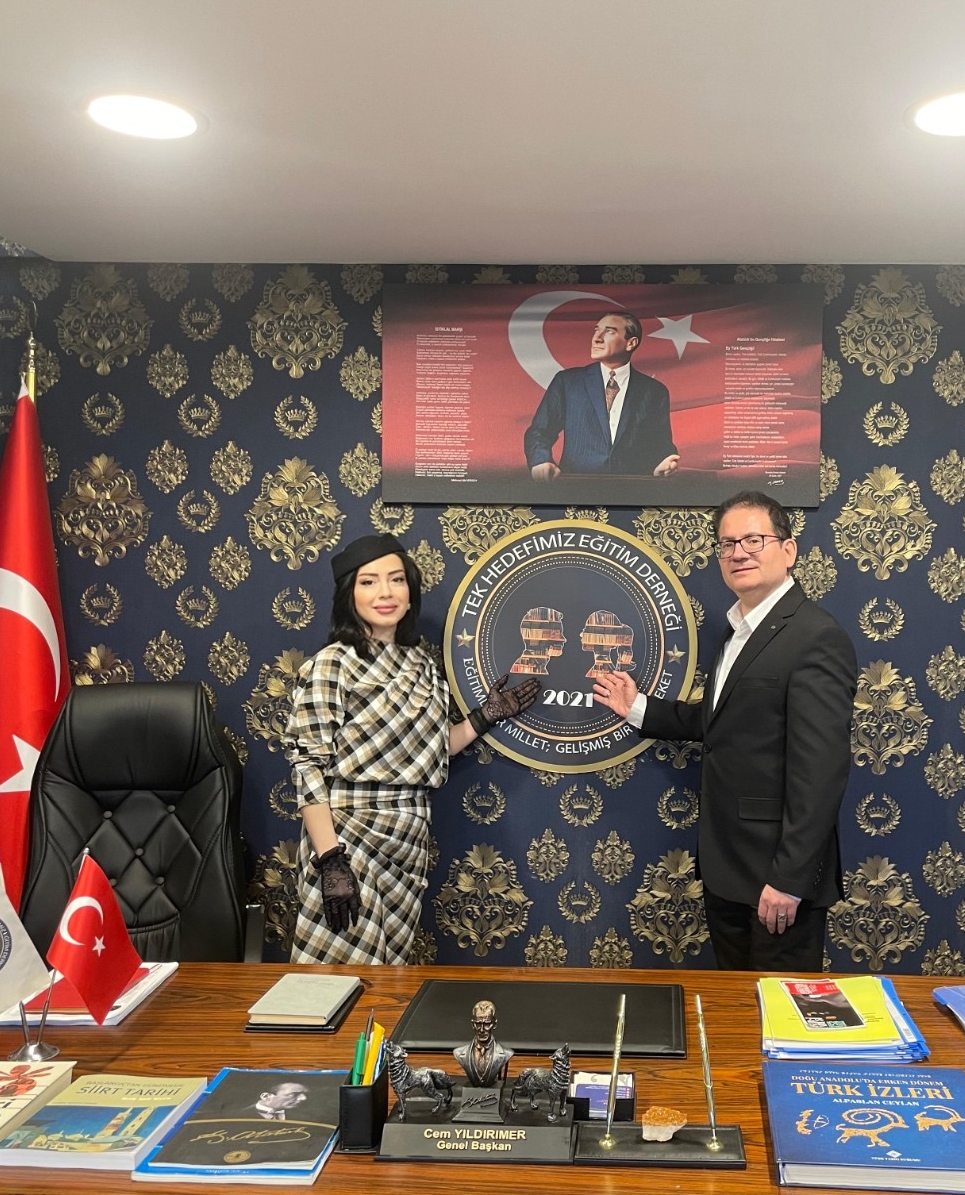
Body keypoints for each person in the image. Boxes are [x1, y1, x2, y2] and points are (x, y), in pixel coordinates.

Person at [592, 492, 856, 971]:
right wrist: (639, 708)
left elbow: (821, 772)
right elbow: (724, 723)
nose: (739, 553)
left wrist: (790, 879)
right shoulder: (737, 630)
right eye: (728, 544)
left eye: (753, 540)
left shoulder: (815, 636)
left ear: (789, 550)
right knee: (736, 1003)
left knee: (776, 1010)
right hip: (727, 870)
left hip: (777, 881)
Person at [283, 533, 539, 964]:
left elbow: (433, 750)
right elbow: (307, 765)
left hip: (409, 837)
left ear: (410, 589)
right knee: (337, 976)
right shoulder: (332, 663)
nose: (385, 592)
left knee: (389, 969)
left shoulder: (421, 662)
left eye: (396, 579)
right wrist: (329, 860)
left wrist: (485, 716)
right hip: (348, 836)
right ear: (349, 595)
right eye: (369, 582)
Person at [523, 311, 679, 479]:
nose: (596, 338)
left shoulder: (655, 391)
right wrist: (540, 460)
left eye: (609, 331)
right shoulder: (567, 382)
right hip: (575, 487)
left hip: (633, 487)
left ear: (631, 343)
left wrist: (663, 464)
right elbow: (539, 432)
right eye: (596, 330)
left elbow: (660, 445)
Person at [453, 999, 514, 1087]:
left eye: (487, 1024)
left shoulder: (506, 1053)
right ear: (472, 1024)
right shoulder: (459, 1053)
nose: (482, 1029)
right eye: (478, 1024)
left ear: (494, 1024)